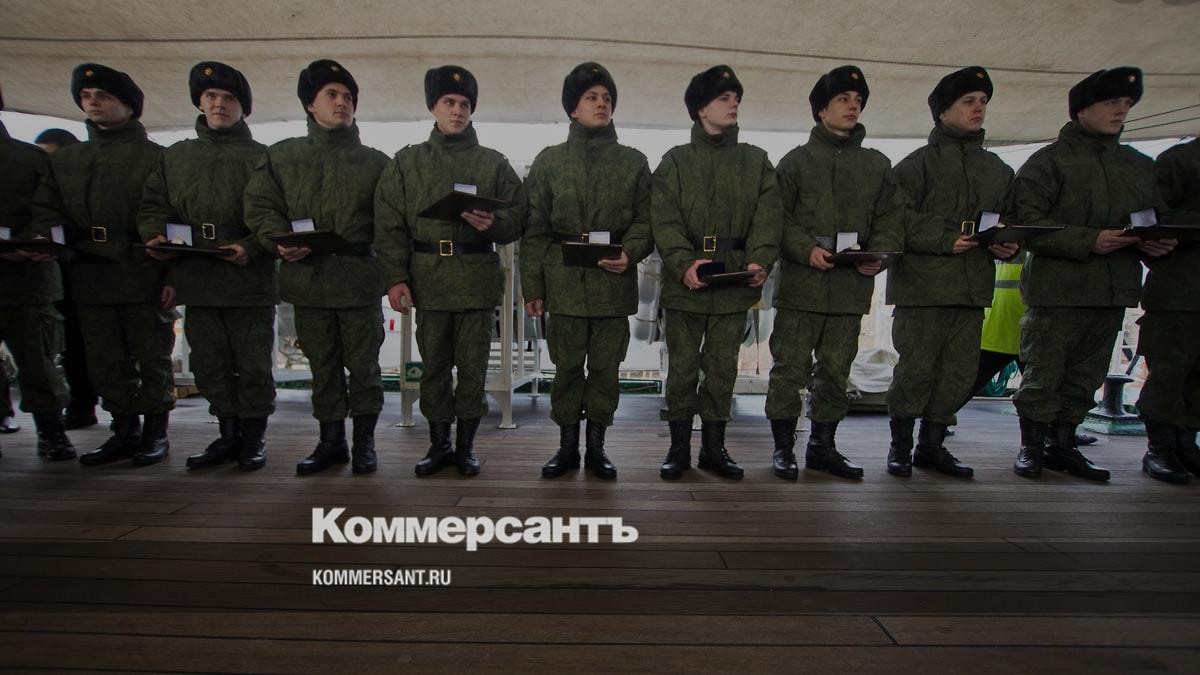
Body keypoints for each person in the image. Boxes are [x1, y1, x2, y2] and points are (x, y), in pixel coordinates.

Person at [1007, 66, 1175, 481]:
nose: (1121, 110)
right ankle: (1032, 447)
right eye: (1111, 103)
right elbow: (1025, 222)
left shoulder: (1138, 166)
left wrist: (1152, 241)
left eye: (1126, 104)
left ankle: (1063, 444)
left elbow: (1151, 217)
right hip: (1057, 291)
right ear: (1082, 110)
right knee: (1043, 373)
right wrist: (1088, 239)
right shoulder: (1049, 163)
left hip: (1112, 289)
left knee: (1086, 375)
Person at [376, 65, 526, 477]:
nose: (457, 110)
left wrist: (493, 224)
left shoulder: (493, 163)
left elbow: (519, 217)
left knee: (474, 368)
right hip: (429, 280)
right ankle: (438, 444)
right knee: (435, 368)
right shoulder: (407, 162)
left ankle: (466, 447)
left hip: (476, 280)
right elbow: (389, 225)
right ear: (433, 107)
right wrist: (395, 277)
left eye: (464, 104)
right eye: (449, 102)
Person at [245, 59, 388, 475]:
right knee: (322, 366)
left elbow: (391, 223)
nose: (342, 103)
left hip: (358, 282)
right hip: (308, 280)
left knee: (364, 367)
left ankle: (365, 444)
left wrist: (394, 275)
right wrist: (277, 241)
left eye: (348, 97)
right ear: (311, 104)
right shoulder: (282, 157)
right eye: (332, 95)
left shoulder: (376, 162)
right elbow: (260, 206)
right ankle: (330, 442)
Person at [765, 65, 903, 480]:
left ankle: (822, 447)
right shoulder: (795, 162)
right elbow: (776, 218)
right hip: (801, 288)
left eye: (858, 101)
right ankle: (783, 448)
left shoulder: (877, 165)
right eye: (843, 99)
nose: (852, 106)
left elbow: (891, 219)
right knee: (789, 369)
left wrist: (880, 256)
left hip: (849, 289)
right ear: (821, 110)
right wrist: (805, 249)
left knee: (836, 370)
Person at [31, 63, 173, 467]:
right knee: (105, 359)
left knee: (152, 357)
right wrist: (42, 237)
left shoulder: (157, 158)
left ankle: (156, 432)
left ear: (129, 105)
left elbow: (171, 216)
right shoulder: (67, 160)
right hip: (89, 271)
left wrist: (172, 273)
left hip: (142, 268)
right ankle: (123, 430)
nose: (93, 102)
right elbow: (46, 208)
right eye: (86, 96)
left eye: (104, 96)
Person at [139, 61, 276, 471]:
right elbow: (154, 206)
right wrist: (156, 238)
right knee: (209, 363)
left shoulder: (263, 157)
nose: (219, 104)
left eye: (229, 98)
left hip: (248, 280)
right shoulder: (176, 156)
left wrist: (251, 245)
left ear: (243, 108)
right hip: (197, 276)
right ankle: (227, 435)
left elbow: (276, 214)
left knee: (252, 363)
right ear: (199, 102)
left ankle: (253, 438)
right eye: (211, 96)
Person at [520, 62, 653, 480]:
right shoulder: (549, 162)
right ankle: (566, 448)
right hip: (564, 285)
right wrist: (533, 286)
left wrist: (630, 252)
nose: (601, 104)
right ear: (572, 109)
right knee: (566, 369)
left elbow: (647, 221)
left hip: (612, 284)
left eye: (607, 98)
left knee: (605, 370)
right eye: (591, 97)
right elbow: (535, 229)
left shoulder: (633, 162)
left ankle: (596, 449)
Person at [885, 66, 1018, 479]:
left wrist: (1008, 242)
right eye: (968, 101)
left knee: (958, 374)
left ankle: (932, 446)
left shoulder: (998, 170)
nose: (978, 108)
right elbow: (894, 219)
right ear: (943, 112)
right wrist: (944, 238)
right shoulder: (915, 167)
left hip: (972, 288)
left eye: (983, 102)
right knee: (916, 370)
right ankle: (900, 447)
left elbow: (1011, 218)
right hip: (922, 289)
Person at [651, 65, 781, 480]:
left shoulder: (756, 162)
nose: (733, 104)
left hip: (734, 281)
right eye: (724, 98)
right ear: (701, 108)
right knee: (682, 369)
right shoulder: (675, 162)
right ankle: (678, 449)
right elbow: (664, 220)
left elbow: (768, 218)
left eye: (736, 98)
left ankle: (714, 449)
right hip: (686, 284)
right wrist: (682, 262)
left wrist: (759, 261)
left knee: (723, 369)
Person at [0, 82, 75, 460]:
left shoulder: (30, 158)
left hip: (27, 278)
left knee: (38, 360)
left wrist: (34, 240)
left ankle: (51, 431)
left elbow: (56, 209)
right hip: (24, 276)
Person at [1136, 136, 1199, 482]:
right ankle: (1160, 447)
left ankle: (1186, 444)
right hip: (1179, 291)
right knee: (1169, 373)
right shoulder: (1179, 160)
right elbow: (1150, 218)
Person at [33, 128, 97, 430]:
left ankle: (90, 404)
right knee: (69, 343)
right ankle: (80, 405)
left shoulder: (82, 178)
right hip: (53, 268)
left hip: (88, 267)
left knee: (92, 342)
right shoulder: (41, 186)